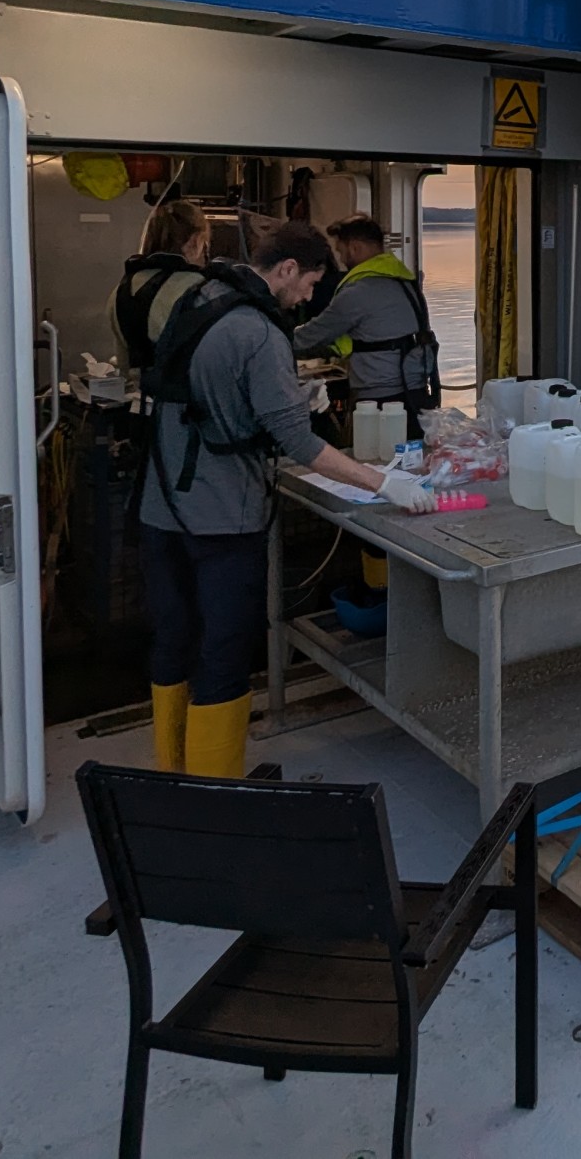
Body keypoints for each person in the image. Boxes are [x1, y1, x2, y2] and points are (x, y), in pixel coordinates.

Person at [137, 219, 390, 777]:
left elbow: (206, 391)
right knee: (224, 652)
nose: (306, 297)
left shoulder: (199, 296)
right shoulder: (258, 330)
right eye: (308, 285)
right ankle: (216, 791)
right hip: (222, 516)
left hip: (159, 507)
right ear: (288, 269)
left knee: (174, 638)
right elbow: (298, 443)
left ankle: (171, 775)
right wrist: (383, 482)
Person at [290, 216, 442, 435]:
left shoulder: (358, 291)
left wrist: (274, 339)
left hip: (380, 396)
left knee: (374, 456)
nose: (341, 259)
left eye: (341, 252)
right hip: (416, 390)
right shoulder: (406, 282)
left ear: (354, 248)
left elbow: (312, 335)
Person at [112, 197, 210, 372]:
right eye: (205, 245)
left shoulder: (121, 291)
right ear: (195, 242)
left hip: (136, 396)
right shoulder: (202, 290)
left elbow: (124, 367)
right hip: (189, 397)